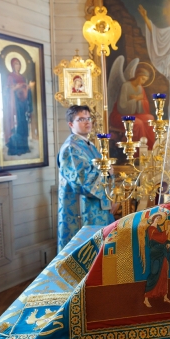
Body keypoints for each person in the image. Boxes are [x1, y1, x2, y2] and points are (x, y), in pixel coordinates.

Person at [57, 105, 114, 251]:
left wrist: (111, 196)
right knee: (84, 252)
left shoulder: (88, 145)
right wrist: (107, 172)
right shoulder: (71, 148)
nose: (87, 122)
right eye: (81, 119)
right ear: (71, 124)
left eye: (88, 118)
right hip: (82, 211)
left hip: (96, 208)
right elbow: (82, 180)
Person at [109, 66, 156, 149]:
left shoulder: (140, 88)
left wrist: (140, 100)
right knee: (138, 123)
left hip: (133, 115)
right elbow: (122, 107)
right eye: (143, 79)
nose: (143, 82)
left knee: (150, 118)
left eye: (145, 80)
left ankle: (150, 147)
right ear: (138, 76)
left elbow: (143, 106)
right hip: (120, 116)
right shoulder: (126, 86)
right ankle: (139, 151)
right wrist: (136, 99)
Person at [143, 211, 170, 308]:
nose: (158, 220)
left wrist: (168, 243)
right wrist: (167, 230)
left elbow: (163, 240)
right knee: (154, 273)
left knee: (164, 273)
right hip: (155, 254)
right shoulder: (150, 229)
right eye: (157, 218)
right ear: (153, 219)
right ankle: (146, 298)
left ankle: (165, 296)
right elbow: (158, 238)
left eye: (160, 219)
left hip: (162, 253)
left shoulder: (158, 228)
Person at [4, 57, 35, 156]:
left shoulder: (22, 77)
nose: (18, 66)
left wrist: (28, 87)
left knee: (23, 125)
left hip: (23, 104)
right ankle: (15, 149)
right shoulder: (10, 77)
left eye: (19, 64)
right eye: (16, 64)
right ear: (12, 65)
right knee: (17, 126)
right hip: (15, 105)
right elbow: (7, 90)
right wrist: (17, 87)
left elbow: (25, 89)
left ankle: (24, 147)